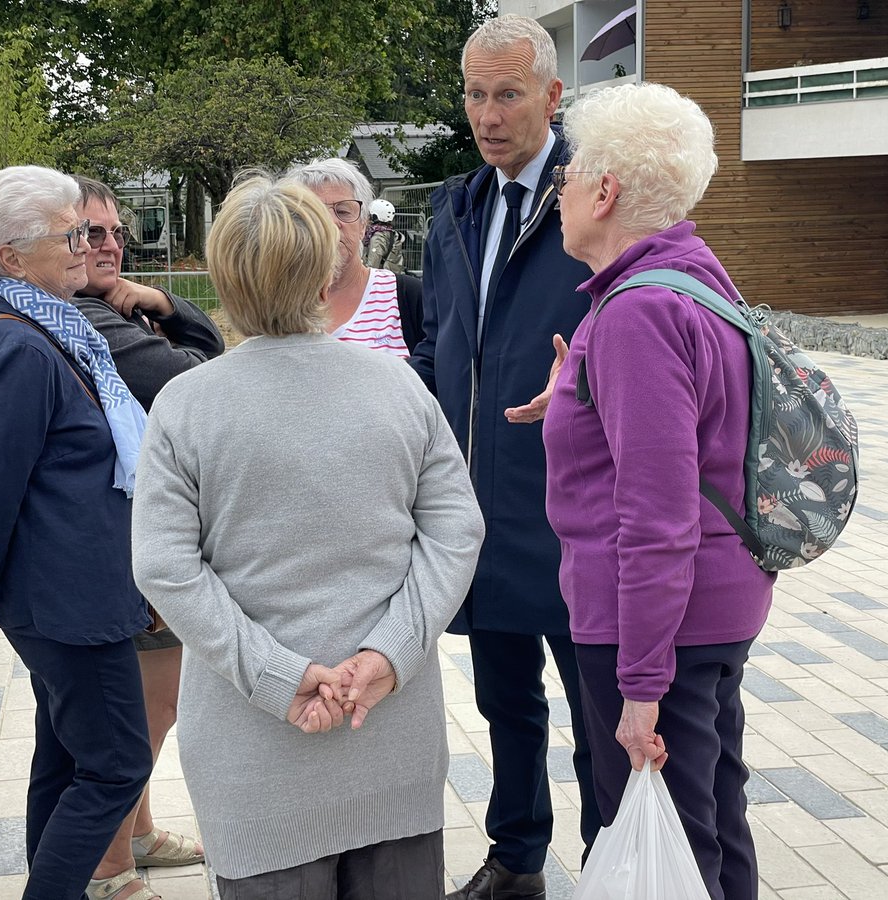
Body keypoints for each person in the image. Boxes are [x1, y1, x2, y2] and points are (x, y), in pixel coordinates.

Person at [130, 174, 485, 899]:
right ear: (327, 268)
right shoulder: (398, 387)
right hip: (388, 733)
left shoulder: (187, 405)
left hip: (253, 748)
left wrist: (276, 674)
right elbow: (456, 530)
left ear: (222, 278)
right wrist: (388, 656)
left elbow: (164, 567)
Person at [544, 81, 775, 899]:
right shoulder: (697, 285)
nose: (560, 189)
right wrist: (572, 399)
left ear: (604, 192)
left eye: (569, 174)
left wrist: (641, 686)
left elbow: (656, 514)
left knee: (668, 844)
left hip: (652, 627)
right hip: (716, 606)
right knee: (710, 824)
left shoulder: (639, 315)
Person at [0, 165, 153, 900]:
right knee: (117, 765)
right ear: (13, 258)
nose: (87, 243)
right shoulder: (22, 346)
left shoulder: (53, 330)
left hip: (73, 591)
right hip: (68, 601)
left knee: (64, 760)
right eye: (71, 233)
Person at [412, 14, 601, 899]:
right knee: (506, 707)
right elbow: (439, 345)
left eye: (508, 94)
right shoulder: (456, 206)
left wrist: (589, 384)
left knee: (598, 713)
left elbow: (644, 322)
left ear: (553, 96)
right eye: (475, 94)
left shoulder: (600, 194)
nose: (487, 115)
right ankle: (518, 858)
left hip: (573, 509)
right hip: (477, 510)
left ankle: (614, 863)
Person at [68, 175, 223, 892]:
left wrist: (161, 303)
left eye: (115, 232)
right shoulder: (86, 317)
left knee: (150, 700)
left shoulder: (106, 307)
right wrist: (169, 312)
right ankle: (108, 865)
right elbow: (197, 378)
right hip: (122, 538)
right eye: (90, 232)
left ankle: (140, 832)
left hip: (140, 529)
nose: (107, 245)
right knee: (141, 709)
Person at [282, 158, 423, 357]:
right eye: (315, 213)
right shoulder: (278, 303)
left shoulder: (408, 299)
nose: (330, 222)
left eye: (343, 211)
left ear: (363, 226)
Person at [363, 198, 404, 272]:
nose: (367, 217)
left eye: (369, 214)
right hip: (389, 276)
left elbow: (372, 265)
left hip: (379, 279)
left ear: (375, 216)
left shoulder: (378, 237)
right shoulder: (391, 233)